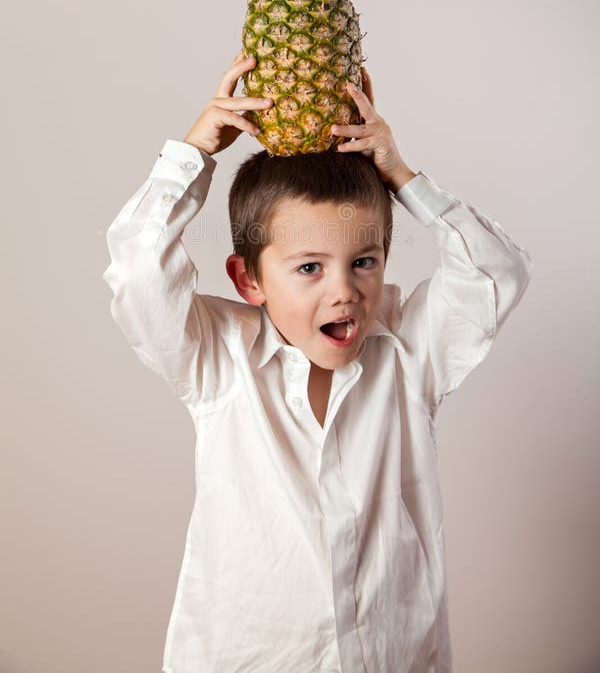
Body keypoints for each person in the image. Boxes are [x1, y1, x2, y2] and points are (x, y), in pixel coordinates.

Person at [102, 51, 533, 673]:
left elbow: (499, 270)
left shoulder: (412, 353)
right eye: (309, 267)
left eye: (364, 261)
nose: (344, 291)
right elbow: (140, 272)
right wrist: (193, 153)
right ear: (248, 280)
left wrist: (402, 177)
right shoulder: (217, 360)